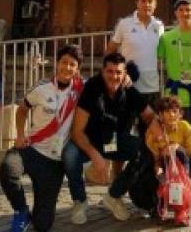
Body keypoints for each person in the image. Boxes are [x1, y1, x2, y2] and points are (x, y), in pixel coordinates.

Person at [62, 52, 160, 225]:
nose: (114, 76)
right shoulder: (92, 88)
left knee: (145, 150)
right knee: (70, 154)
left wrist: (157, 131)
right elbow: (77, 132)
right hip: (89, 140)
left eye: (118, 72)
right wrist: (94, 156)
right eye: (110, 71)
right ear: (102, 71)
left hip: (112, 141)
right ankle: (80, 201)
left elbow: (151, 116)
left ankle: (113, 195)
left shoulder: (129, 90)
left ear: (124, 75)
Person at [0, 44, 84, 232]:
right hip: (31, 149)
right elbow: (22, 110)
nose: (67, 68)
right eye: (64, 63)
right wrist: (20, 135)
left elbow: (106, 81)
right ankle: (21, 211)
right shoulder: (41, 87)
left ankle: (35, 216)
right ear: (56, 63)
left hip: (54, 162)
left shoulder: (81, 90)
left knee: (43, 224)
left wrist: (127, 78)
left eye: (72, 64)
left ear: (77, 69)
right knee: (7, 169)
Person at [156, 0, 191, 201]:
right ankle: (171, 186)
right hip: (173, 100)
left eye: (189, 10)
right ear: (175, 13)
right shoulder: (166, 37)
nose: (185, 13)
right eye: (181, 10)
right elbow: (157, 65)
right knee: (170, 145)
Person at [107, 0, 164, 106]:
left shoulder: (159, 26)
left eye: (150, 1)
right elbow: (111, 49)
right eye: (143, 1)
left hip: (152, 87)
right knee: (128, 124)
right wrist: (114, 74)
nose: (146, 4)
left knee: (150, 124)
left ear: (155, 5)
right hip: (129, 85)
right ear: (137, 3)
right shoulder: (124, 23)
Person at [146, 95, 191, 227]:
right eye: (167, 112)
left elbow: (190, 150)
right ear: (160, 115)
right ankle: (161, 208)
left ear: (180, 113)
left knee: (181, 186)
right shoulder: (156, 130)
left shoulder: (185, 126)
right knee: (161, 185)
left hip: (181, 164)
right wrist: (162, 154)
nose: (171, 115)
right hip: (163, 164)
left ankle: (181, 212)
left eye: (174, 111)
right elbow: (152, 149)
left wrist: (176, 147)